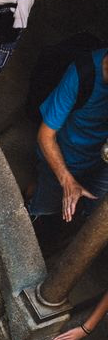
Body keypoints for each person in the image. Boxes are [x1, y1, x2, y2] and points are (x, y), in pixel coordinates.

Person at [26, 47, 108, 223]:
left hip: (102, 164)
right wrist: (67, 181)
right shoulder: (81, 74)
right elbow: (45, 136)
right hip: (66, 159)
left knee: (95, 215)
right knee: (44, 210)